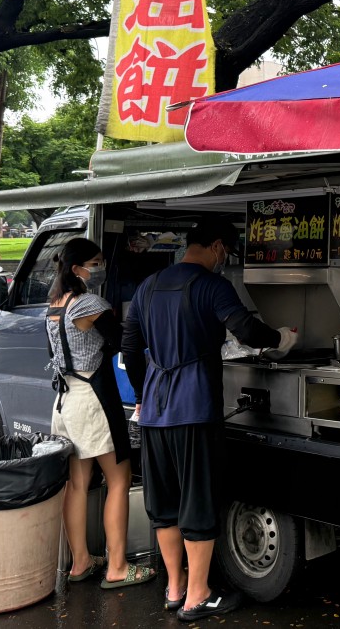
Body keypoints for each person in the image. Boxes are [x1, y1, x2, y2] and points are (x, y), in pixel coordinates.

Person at [121, 216, 298, 621]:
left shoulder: (149, 286)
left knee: (163, 505)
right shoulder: (211, 285)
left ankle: (174, 587)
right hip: (195, 409)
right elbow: (246, 330)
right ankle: (198, 596)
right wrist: (281, 339)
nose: (225, 261)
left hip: (154, 413)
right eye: (227, 253)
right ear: (217, 247)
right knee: (198, 501)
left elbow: (130, 347)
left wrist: (143, 396)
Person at [47, 238, 153, 589]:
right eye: (95, 262)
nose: (100, 266)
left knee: (77, 484)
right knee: (119, 480)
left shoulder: (55, 305)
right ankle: (118, 567)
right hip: (93, 400)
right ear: (77, 268)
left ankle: (80, 563)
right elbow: (126, 341)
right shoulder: (91, 303)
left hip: (65, 400)